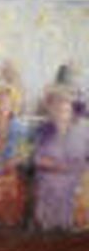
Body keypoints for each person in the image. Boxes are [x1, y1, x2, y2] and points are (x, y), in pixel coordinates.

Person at [30, 83, 89, 230]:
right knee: (53, 187)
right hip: (49, 177)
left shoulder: (83, 129)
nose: (61, 111)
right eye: (56, 107)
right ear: (50, 109)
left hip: (78, 177)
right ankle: (52, 230)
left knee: (79, 191)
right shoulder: (42, 130)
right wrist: (59, 166)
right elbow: (35, 158)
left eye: (65, 107)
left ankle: (73, 228)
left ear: (71, 108)